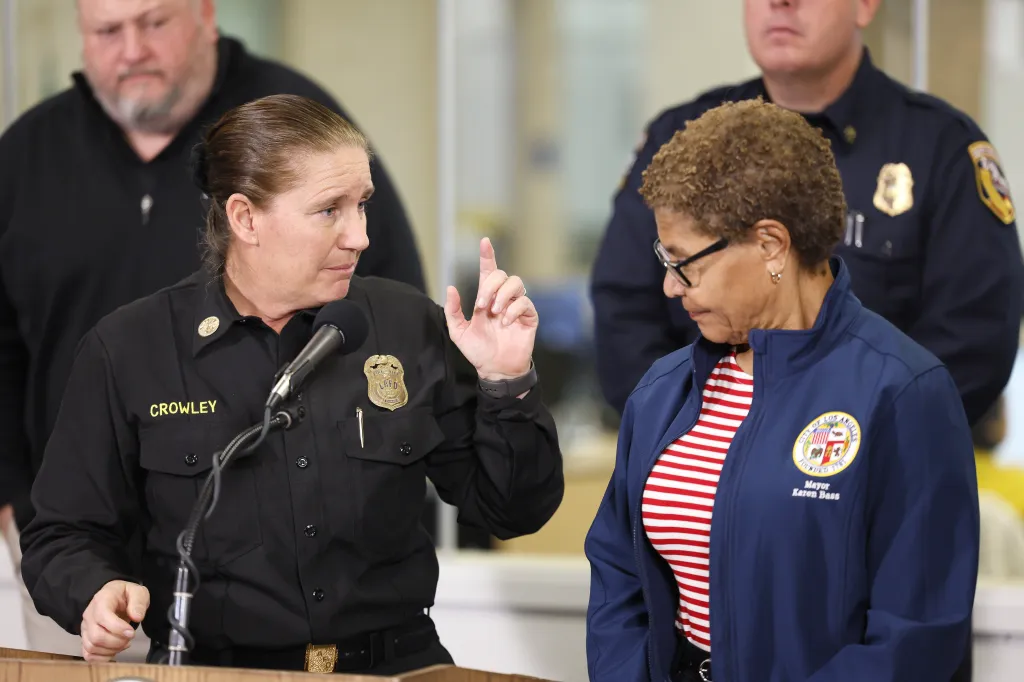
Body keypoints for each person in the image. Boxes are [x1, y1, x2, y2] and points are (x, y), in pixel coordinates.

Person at [18, 94, 564, 673]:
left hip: (392, 665)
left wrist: (506, 381)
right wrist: (94, 591)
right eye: (330, 210)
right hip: (219, 669)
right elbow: (62, 534)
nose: (360, 236)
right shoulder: (131, 348)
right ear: (245, 218)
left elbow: (512, 511)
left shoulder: (407, 324)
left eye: (363, 205)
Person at [0, 0, 424, 656]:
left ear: (205, 14)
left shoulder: (293, 118)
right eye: (108, 31)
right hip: (79, 553)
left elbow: (384, 311)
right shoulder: (29, 153)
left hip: (271, 581)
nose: (132, 48)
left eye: (155, 22)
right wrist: (11, 492)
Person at [585, 99, 979, 682]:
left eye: (684, 262)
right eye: (663, 261)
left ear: (770, 245)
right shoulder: (663, 393)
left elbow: (915, 638)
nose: (669, 287)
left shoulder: (902, 392)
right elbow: (619, 575)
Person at [591, 0, 1023, 429]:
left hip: (874, 460)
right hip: (698, 448)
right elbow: (624, 310)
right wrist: (698, 431)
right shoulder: (681, 137)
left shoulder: (939, 148)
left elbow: (974, 341)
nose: (781, 3)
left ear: (865, 6)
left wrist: (834, 443)